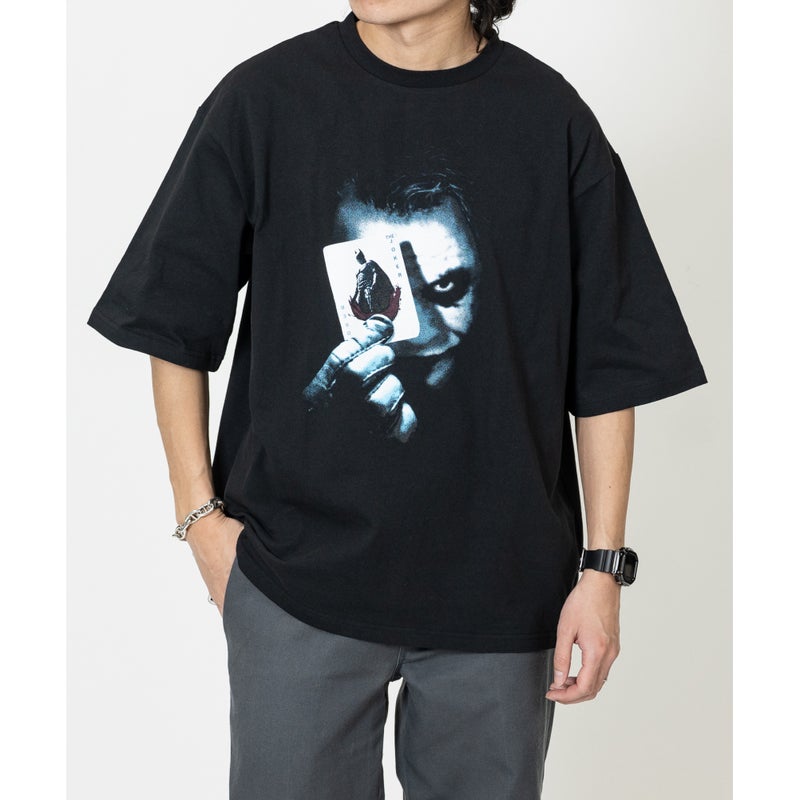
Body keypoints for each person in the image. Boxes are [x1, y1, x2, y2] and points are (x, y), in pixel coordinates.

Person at [86, 1, 708, 797]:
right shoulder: (265, 99)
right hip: (296, 582)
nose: (414, 324)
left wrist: (603, 569)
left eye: (445, 287)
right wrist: (201, 522)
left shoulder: (549, 118)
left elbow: (608, 364)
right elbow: (172, 318)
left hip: (502, 591)